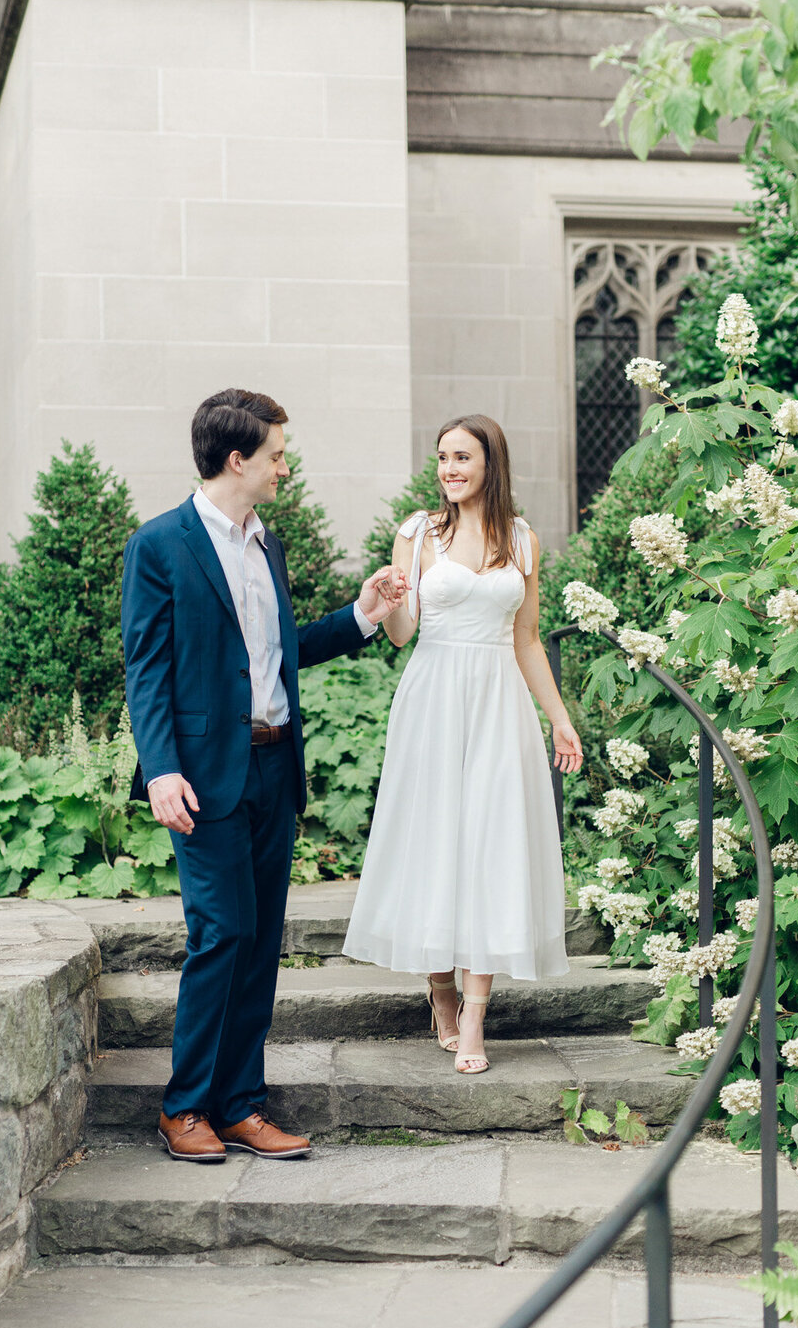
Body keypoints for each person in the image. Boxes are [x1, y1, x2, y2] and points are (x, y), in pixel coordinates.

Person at [122, 388, 408, 1162]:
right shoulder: (161, 545)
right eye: (277, 454)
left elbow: (281, 651)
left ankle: (242, 1104)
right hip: (205, 774)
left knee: (259, 942)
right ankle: (184, 1106)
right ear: (236, 458)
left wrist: (361, 615)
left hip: (277, 765)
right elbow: (146, 671)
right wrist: (161, 770)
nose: (287, 466)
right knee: (221, 932)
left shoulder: (266, 543)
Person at [342, 414, 584, 1074]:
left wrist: (558, 716)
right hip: (434, 700)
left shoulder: (523, 539)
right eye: (443, 457)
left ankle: (476, 1018)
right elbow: (400, 632)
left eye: (462, 457)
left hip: (500, 704)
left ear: (490, 463)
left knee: (491, 846)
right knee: (438, 841)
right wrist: (386, 599)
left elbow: (528, 638)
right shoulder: (418, 533)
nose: (449, 469)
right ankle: (440, 986)